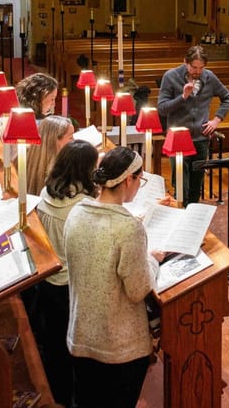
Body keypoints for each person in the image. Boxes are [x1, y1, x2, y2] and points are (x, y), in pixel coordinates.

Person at [65, 147, 162, 407]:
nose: (139, 187)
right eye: (140, 180)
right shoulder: (128, 228)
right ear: (128, 179)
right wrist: (153, 260)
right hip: (119, 347)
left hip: (81, 335)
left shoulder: (76, 213)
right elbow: (138, 290)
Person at [35, 140, 99, 407]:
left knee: (53, 344)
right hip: (70, 284)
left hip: (48, 281)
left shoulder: (47, 192)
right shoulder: (82, 205)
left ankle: (57, 393)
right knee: (71, 346)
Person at [157, 45, 229, 205]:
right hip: (177, 140)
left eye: (201, 68)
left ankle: (192, 219)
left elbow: (227, 97)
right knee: (181, 185)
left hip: (200, 138)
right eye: (194, 67)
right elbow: (162, 109)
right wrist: (183, 97)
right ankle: (179, 216)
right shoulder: (170, 77)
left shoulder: (209, 77)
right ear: (185, 62)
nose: (197, 72)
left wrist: (216, 120)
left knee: (196, 186)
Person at [26, 115, 75, 196]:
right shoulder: (62, 171)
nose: (74, 141)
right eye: (71, 137)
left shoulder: (26, 159)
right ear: (55, 141)